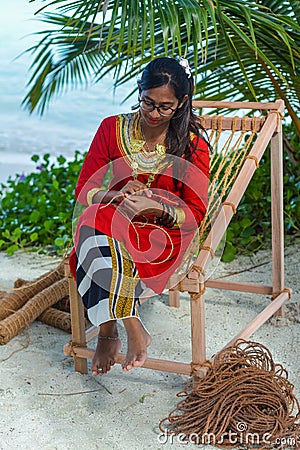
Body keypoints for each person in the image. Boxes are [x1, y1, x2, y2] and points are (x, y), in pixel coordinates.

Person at [69, 56, 210, 376]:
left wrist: (155, 208)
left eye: (165, 107)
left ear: (182, 101)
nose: (154, 113)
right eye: (147, 102)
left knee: (89, 245)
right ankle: (132, 324)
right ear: (139, 91)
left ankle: (108, 333)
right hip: (114, 223)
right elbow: (85, 189)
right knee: (92, 216)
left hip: (163, 235)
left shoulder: (192, 144)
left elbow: (196, 213)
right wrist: (116, 196)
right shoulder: (112, 127)